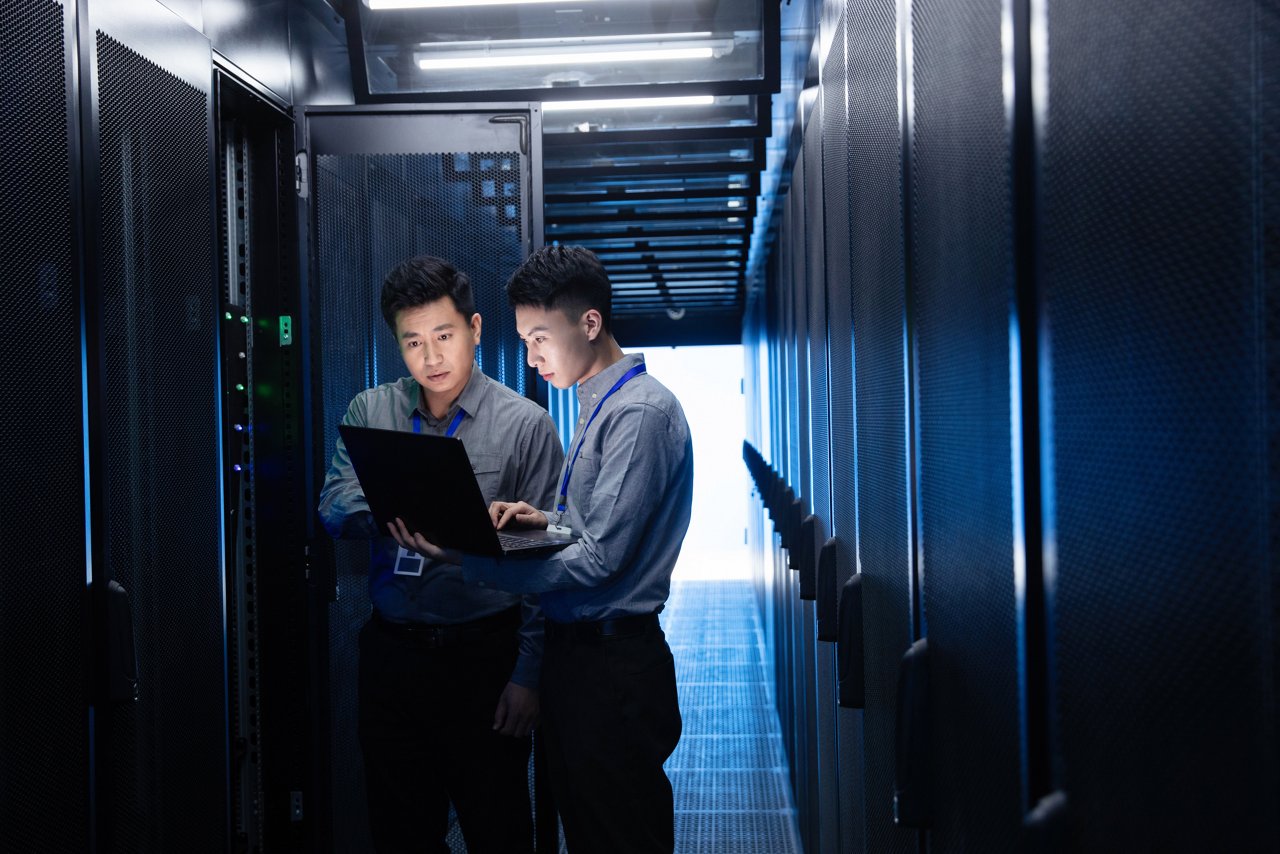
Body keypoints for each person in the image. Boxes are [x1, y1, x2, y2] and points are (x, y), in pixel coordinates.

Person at [394, 245, 694, 853]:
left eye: (538, 339)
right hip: (584, 664)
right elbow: (593, 529)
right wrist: (544, 520)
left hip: (611, 669)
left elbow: (599, 561)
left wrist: (470, 561)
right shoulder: (599, 403)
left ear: (590, 323)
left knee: (615, 834)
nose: (530, 359)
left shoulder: (637, 413)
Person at [318, 255, 564, 854]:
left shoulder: (525, 425)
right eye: (413, 342)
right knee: (401, 832)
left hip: (485, 656)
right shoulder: (369, 412)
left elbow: (546, 568)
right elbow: (332, 507)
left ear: (476, 329)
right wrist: (402, 507)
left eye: (445, 336)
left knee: (498, 827)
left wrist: (527, 678)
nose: (430, 357)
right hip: (393, 655)